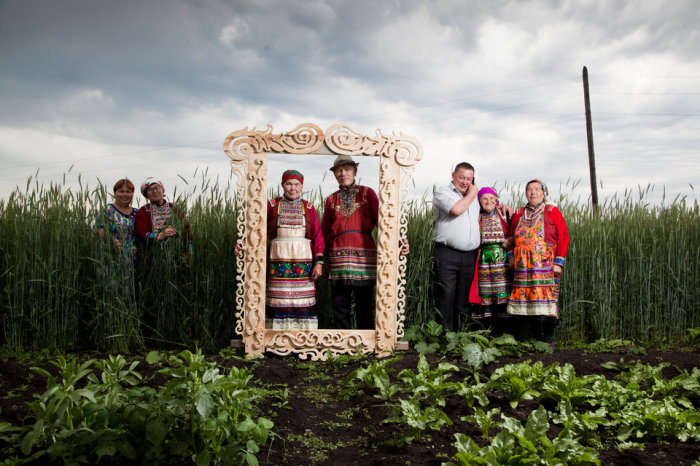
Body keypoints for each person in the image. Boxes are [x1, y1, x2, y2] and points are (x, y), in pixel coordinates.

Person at [321, 155, 408, 329]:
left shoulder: (367, 193)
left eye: (347, 169)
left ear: (355, 171)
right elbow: (324, 232)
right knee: (340, 303)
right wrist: (322, 259)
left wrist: (399, 240)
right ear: (335, 174)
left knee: (365, 302)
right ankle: (341, 342)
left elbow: (383, 220)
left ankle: (365, 342)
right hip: (338, 256)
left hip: (364, 255)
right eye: (339, 170)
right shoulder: (331, 200)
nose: (343, 173)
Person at [236, 170, 325, 330]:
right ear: (282, 185)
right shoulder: (271, 205)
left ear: (301, 186)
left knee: (301, 297)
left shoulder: (309, 207)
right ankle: (276, 337)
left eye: (296, 184)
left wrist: (318, 263)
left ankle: (304, 337)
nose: (293, 188)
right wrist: (244, 241)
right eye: (289, 184)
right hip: (277, 258)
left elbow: (318, 236)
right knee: (279, 296)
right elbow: (257, 227)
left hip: (302, 259)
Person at [432, 162, 511, 331]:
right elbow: (456, 210)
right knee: (446, 296)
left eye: (469, 179)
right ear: (453, 175)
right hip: (447, 254)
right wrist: (474, 192)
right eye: (462, 177)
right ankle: (443, 336)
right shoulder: (443, 192)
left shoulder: (474, 198)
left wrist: (502, 206)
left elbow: (488, 207)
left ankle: (462, 336)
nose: (465, 181)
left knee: (464, 298)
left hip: (470, 255)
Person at [506, 179, 569, 345]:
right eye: (529, 189)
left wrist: (559, 262)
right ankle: (536, 337)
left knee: (549, 299)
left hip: (546, 265)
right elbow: (511, 237)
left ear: (544, 193)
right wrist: (511, 257)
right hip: (523, 266)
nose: (533, 192)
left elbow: (563, 237)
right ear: (526, 193)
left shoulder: (552, 211)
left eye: (536, 189)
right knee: (528, 300)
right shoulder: (519, 213)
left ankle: (548, 336)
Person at [470, 187, 512, 333]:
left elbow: (513, 232)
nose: (489, 201)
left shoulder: (504, 214)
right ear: (479, 202)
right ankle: (485, 330)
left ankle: (503, 331)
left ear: (496, 200)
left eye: (492, 198)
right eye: (484, 198)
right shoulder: (477, 216)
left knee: (502, 293)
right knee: (485, 294)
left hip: (502, 257)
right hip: (484, 259)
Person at [134, 177, 192, 253]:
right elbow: (140, 233)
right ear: (146, 195)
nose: (154, 191)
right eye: (150, 189)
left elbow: (186, 229)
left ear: (162, 190)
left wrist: (189, 251)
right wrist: (160, 236)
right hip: (154, 255)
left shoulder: (174, 208)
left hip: (178, 253)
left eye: (157, 187)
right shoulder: (143, 211)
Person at [96, 178, 138, 276]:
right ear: (115, 193)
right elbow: (100, 231)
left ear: (132, 194)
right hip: (111, 259)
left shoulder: (137, 213)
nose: (125, 194)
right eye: (121, 191)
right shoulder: (107, 211)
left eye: (128, 191)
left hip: (132, 261)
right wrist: (112, 241)